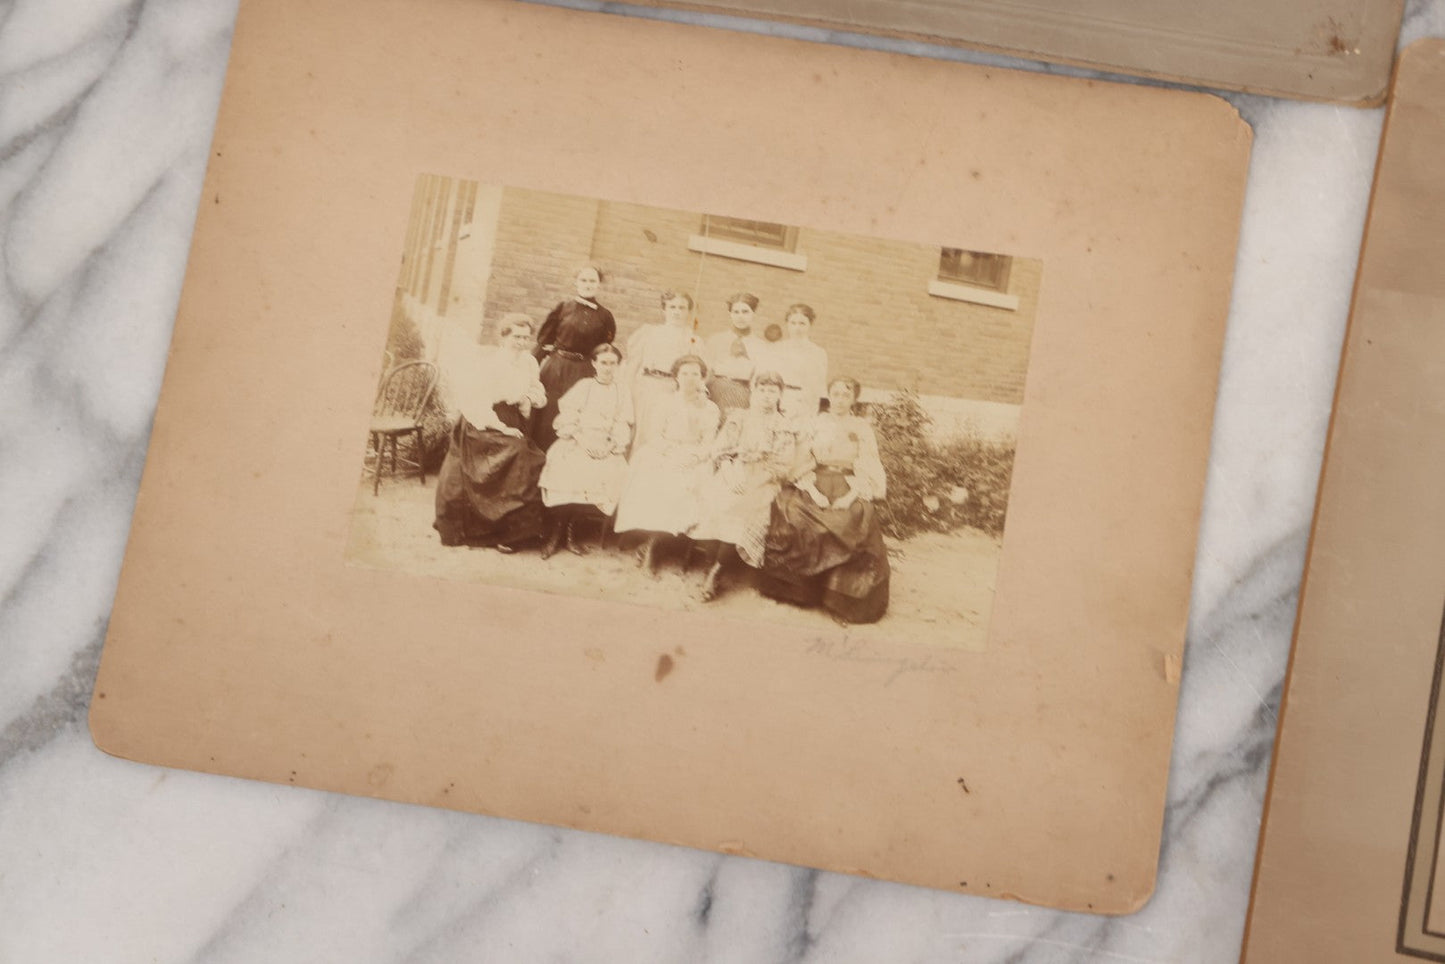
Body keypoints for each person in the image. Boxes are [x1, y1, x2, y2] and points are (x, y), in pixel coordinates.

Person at [759, 377, 890, 623]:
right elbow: (804, 457)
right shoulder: (816, 423)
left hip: (849, 483)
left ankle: (840, 599)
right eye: (836, 394)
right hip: (815, 479)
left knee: (854, 517)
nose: (840, 400)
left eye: (845, 395)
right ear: (829, 395)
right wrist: (812, 490)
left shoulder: (861, 427)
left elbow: (867, 463)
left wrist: (851, 495)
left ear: (853, 399)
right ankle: (800, 592)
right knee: (795, 511)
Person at [433, 314, 549, 551]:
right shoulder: (490, 364)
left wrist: (529, 398)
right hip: (483, 423)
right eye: (516, 337)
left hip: (513, 419)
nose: (522, 342)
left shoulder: (529, 362)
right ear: (503, 336)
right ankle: (490, 529)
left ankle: (511, 533)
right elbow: (476, 403)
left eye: (526, 337)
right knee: (522, 456)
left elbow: (538, 391)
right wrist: (503, 427)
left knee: (529, 459)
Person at [691, 371, 797, 602]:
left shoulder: (784, 425)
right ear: (753, 391)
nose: (767, 396)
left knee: (742, 508)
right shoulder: (739, 417)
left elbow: (784, 464)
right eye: (762, 390)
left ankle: (716, 572)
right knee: (714, 498)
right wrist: (731, 472)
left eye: (772, 391)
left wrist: (754, 480)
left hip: (764, 478)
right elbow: (721, 449)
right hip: (734, 470)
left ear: (780, 395)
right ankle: (712, 562)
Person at [613, 354, 720, 575]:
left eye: (696, 374)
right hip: (664, 451)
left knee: (696, 484)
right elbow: (655, 435)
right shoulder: (664, 402)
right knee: (660, 481)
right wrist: (673, 454)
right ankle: (652, 546)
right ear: (675, 376)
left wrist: (695, 457)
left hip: (694, 455)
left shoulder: (710, 408)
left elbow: (709, 442)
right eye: (685, 373)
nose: (690, 378)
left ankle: (655, 545)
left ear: (702, 378)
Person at [538, 343, 633, 558]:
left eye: (613, 363)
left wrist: (610, 447)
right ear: (594, 363)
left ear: (618, 365)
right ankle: (556, 533)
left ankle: (571, 533)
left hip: (606, 445)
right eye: (603, 363)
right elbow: (568, 417)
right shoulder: (585, 386)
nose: (608, 368)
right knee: (567, 468)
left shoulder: (622, 391)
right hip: (577, 440)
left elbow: (622, 423)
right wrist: (583, 441)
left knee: (610, 473)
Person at [531, 264, 617, 449]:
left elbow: (604, 349)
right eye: (583, 280)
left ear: (599, 285)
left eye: (592, 280)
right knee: (548, 415)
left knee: (577, 416)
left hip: (584, 372)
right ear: (576, 283)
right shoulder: (563, 308)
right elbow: (544, 341)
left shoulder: (605, 316)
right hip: (556, 369)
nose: (588, 284)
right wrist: (529, 367)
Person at [622, 289, 702, 448]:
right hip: (646, 387)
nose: (677, 312)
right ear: (664, 309)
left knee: (661, 432)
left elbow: (696, 373)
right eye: (672, 307)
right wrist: (626, 394)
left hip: (672, 390)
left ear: (688, 311)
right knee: (638, 431)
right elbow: (632, 366)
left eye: (682, 308)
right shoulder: (649, 332)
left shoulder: (693, 339)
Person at [703, 292, 770, 421]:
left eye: (745, 312)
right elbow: (706, 372)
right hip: (714, 392)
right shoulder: (716, 340)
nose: (740, 316)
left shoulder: (760, 346)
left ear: (753, 314)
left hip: (743, 395)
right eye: (736, 312)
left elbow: (759, 378)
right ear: (730, 314)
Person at [768, 303, 829, 420]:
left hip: (805, 403)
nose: (797, 328)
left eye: (802, 323)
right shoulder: (777, 349)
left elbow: (818, 386)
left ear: (810, 325)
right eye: (793, 323)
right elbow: (769, 380)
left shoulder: (818, 353)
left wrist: (811, 411)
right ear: (787, 324)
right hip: (779, 401)